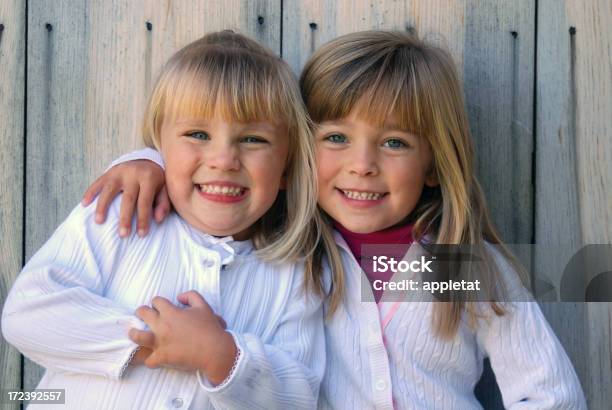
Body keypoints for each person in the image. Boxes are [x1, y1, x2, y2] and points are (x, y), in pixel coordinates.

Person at [77, 31, 586, 409]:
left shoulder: (464, 266)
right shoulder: (286, 255)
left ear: (433, 163)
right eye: (336, 138)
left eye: (395, 143)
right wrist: (147, 162)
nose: (362, 164)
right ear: (300, 150)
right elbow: (212, 180)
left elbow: (551, 394)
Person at [2, 31, 344, 409]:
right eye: (198, 134)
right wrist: (154, 337)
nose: (223, 159)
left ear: (287, 167)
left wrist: (224, 359)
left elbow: (299, 397)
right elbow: (28, 312)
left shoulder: (296, 273)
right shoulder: (124, 211)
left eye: (253, 140)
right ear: (159, 149)